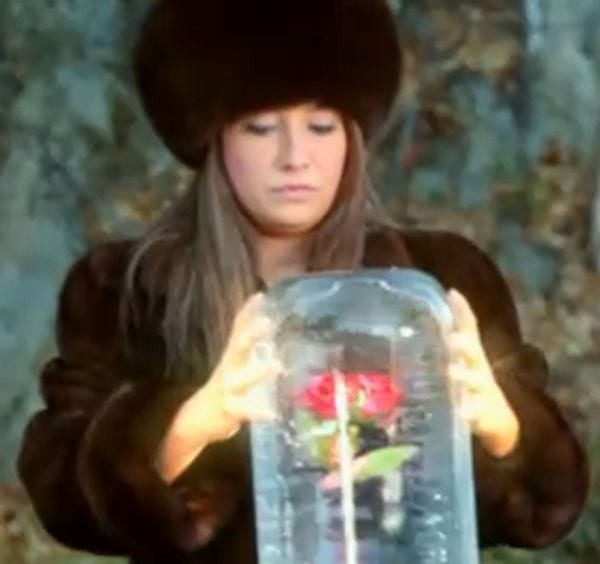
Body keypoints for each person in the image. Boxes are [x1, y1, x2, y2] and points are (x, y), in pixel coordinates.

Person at [17, 0, 587, 562]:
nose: (295, 157)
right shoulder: (124, 291)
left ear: (351, 138)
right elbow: (60, 494)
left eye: (320, 125)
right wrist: (187, 425)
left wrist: (504, 429)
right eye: (261, 128)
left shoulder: (437, 284)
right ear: (215, 139)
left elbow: (537, 509)